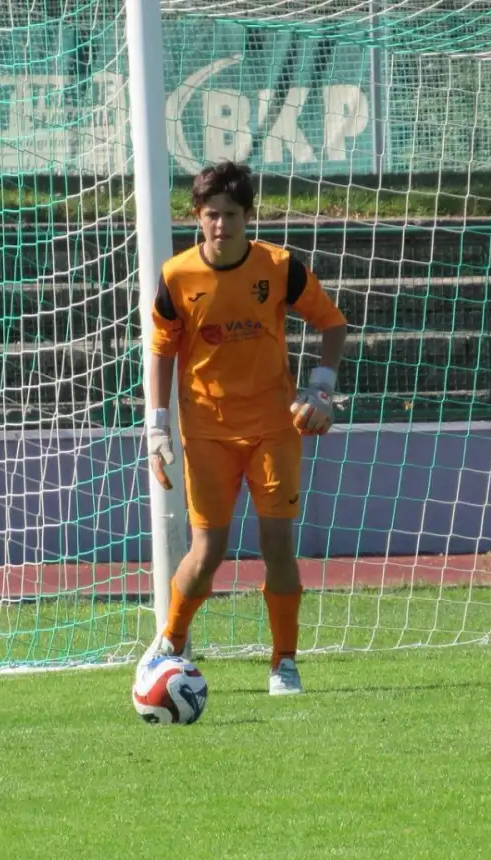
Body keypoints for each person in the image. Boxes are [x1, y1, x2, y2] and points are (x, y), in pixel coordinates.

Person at [140, 160, 349, 696]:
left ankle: (284, 662)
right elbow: (162, 350)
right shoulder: (176, 276)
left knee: (276, 543)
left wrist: (320, 389)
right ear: (197, 216)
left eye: (231, 216)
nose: (221, 226)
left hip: (274, 427)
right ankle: (170, 644)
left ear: (248, 216)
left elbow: (331, 323)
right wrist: (157, 427)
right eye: (211, 215)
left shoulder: (279, 267)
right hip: (206, 432)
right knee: (207, 550)